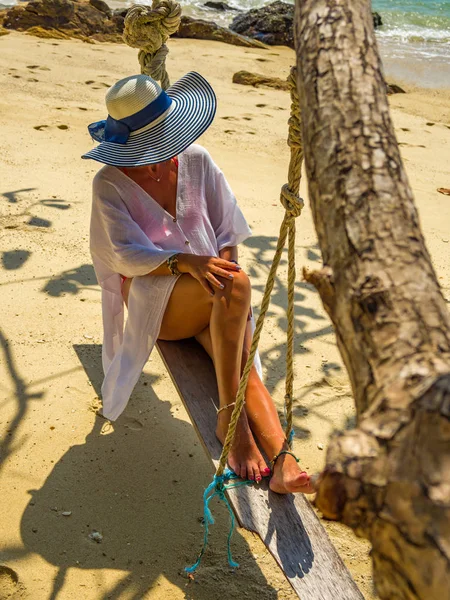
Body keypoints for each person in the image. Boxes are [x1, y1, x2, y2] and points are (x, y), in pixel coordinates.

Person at [82, 71, 314, 494]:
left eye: (166, 139)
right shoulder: (109, 184)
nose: (163, 153)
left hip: (215, 299)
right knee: (237, 286)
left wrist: (220, 272)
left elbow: (228, 231)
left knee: (247, 363)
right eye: (149, 148)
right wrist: (187, 263)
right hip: (160, 309)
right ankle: (233, 419)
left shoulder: (197, 159)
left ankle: (284, 462)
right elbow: (124, 256)